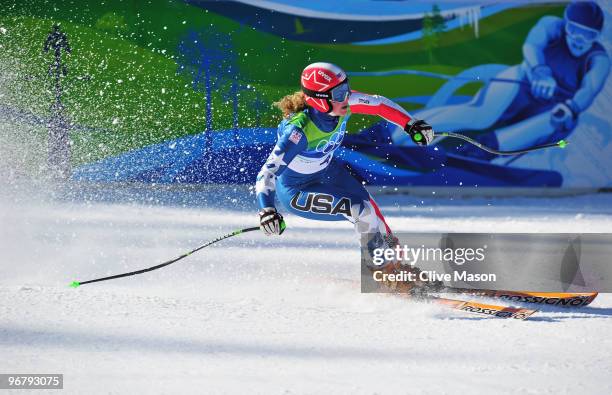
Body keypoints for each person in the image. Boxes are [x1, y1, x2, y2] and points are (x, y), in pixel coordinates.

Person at [255, 62, 436, 292]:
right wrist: (267, 210)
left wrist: (410, 124)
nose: (347, 96)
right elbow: (267, 173)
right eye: (340, 93)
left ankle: (394, 264)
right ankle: (382, 272)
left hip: (327, 173)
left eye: (346, 88)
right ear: (320, 99)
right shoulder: (298, 132)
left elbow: (379, 104)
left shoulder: (341, 103)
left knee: (373, 212)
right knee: (361, 211)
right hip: (298, 191)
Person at [416, 1, 609, 160]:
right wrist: (540, 71)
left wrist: (571, 107)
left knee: (557, 120)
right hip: (523, 83)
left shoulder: (599, 59)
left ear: (596, 37)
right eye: (574, 30)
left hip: (553, 105)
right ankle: (408, 131)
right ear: (565, 25)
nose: (579, 39)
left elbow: (589, 89)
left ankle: (482, 150)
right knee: (481, 116)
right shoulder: (551, 25)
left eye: (588, 35)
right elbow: (532, 46)